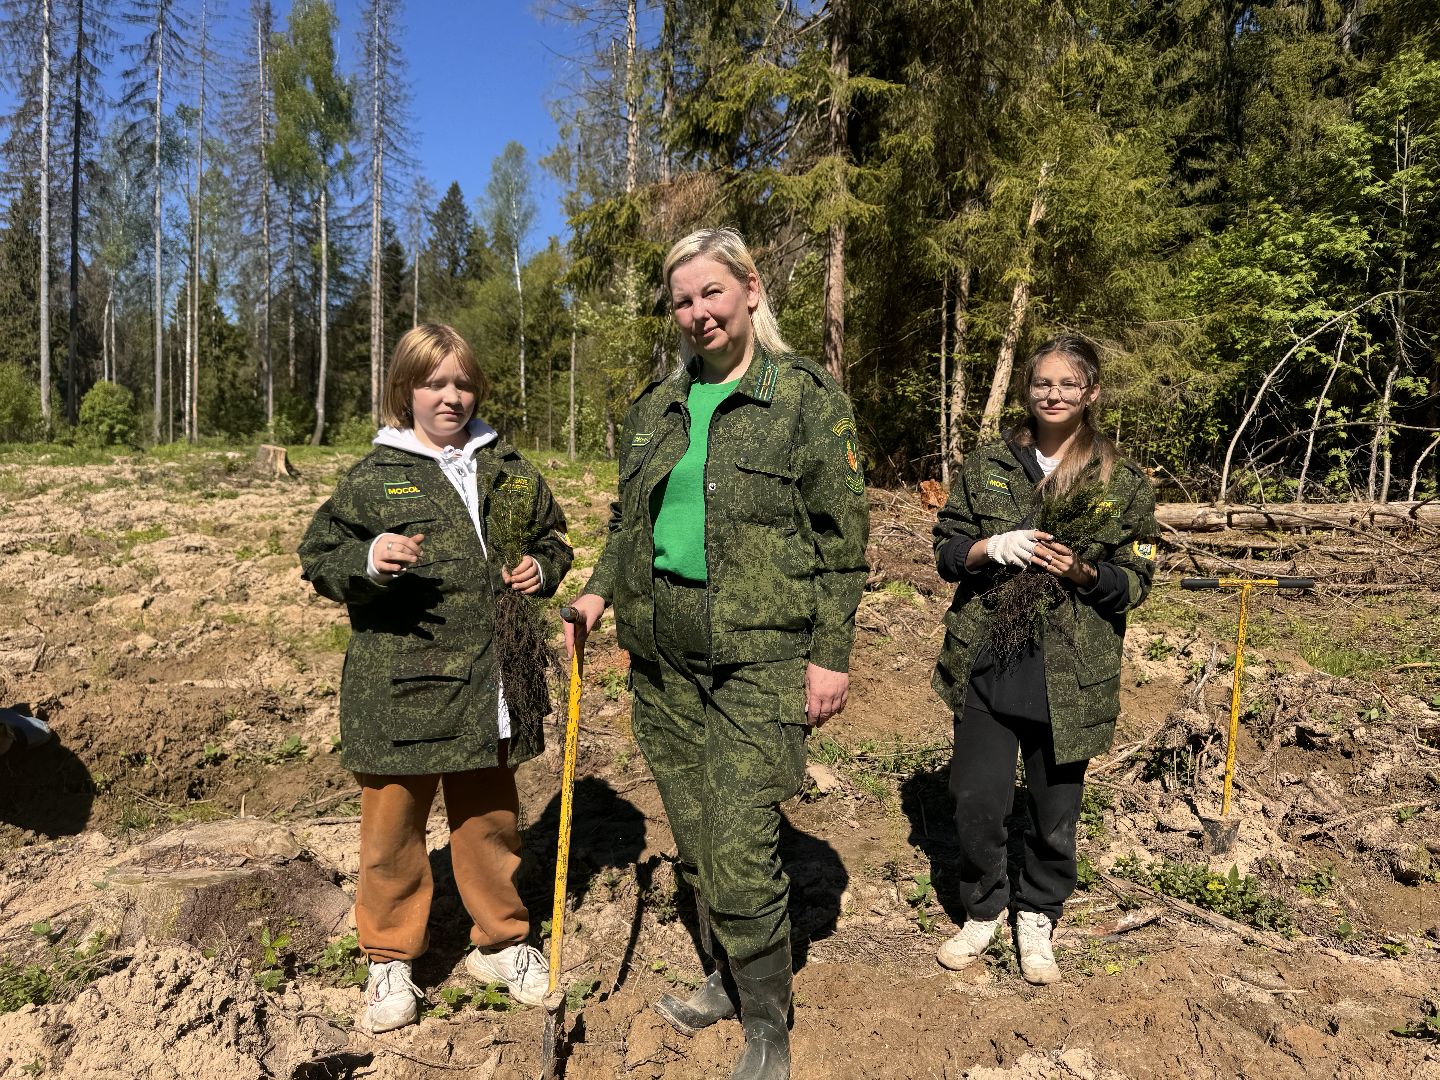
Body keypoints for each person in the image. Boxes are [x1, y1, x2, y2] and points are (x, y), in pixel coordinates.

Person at [564, 228, 869, 1080]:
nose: (697, 313)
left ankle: (768, 1024)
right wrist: (596, 594)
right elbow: (630, 526)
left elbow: (843, 539)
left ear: (750, 289)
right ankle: (724, 978)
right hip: (662, 662)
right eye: (682, 301)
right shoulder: (656, 408)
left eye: (711, 293)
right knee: (695, 841)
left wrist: (830, 654)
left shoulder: (805, 399)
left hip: (759, 659)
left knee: (737, 847)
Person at [298, 323, 573, 1034]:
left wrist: (541, 569)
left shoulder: (508, 467)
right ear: (405, 391)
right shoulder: (373, 476)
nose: (450, 397)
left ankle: (503, 943)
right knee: (393, 832)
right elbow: (320, 557)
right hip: (403, 685)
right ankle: (390, 959)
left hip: (492, 685)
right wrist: (368, 557)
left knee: (491, 823)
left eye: (462, 383)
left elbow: (555, 538)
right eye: (434, 383)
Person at [930, 334, 1157, 985]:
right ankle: (984, 908)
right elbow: (946, 550)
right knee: (976, 800)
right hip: (987, 664)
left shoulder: (1121, 480)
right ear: (1028, 390)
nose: (1053, 395)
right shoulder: (987, 466)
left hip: (1071, 673)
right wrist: (987, 548)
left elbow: (1137, 579)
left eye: (1067, 385)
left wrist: (1087, 572)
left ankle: (1038, 913)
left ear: (1090, 393)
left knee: (1055, 814)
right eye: (1042, 384)